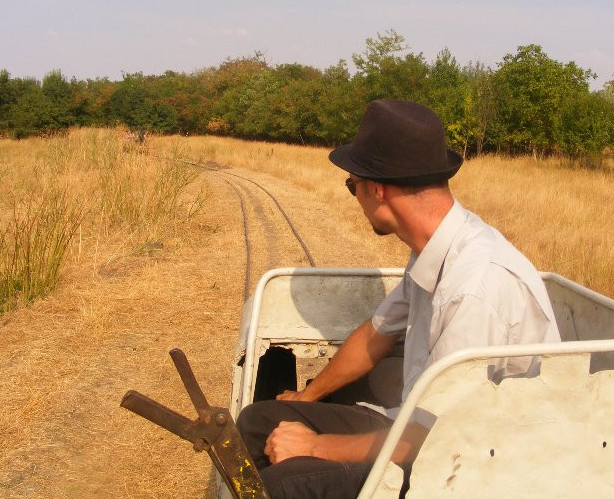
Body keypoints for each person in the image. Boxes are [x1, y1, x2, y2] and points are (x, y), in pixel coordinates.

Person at [237, 99, 561, 499]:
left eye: (351, 185)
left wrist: (313, 446)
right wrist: (307, 397)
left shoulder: (474, 288)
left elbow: (438, 436)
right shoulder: (433, 248)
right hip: (419, 425)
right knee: (257, 422)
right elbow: (376, 334)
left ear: (377, 189)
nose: (353, 196)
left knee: (281, 485)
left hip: (471, 463)